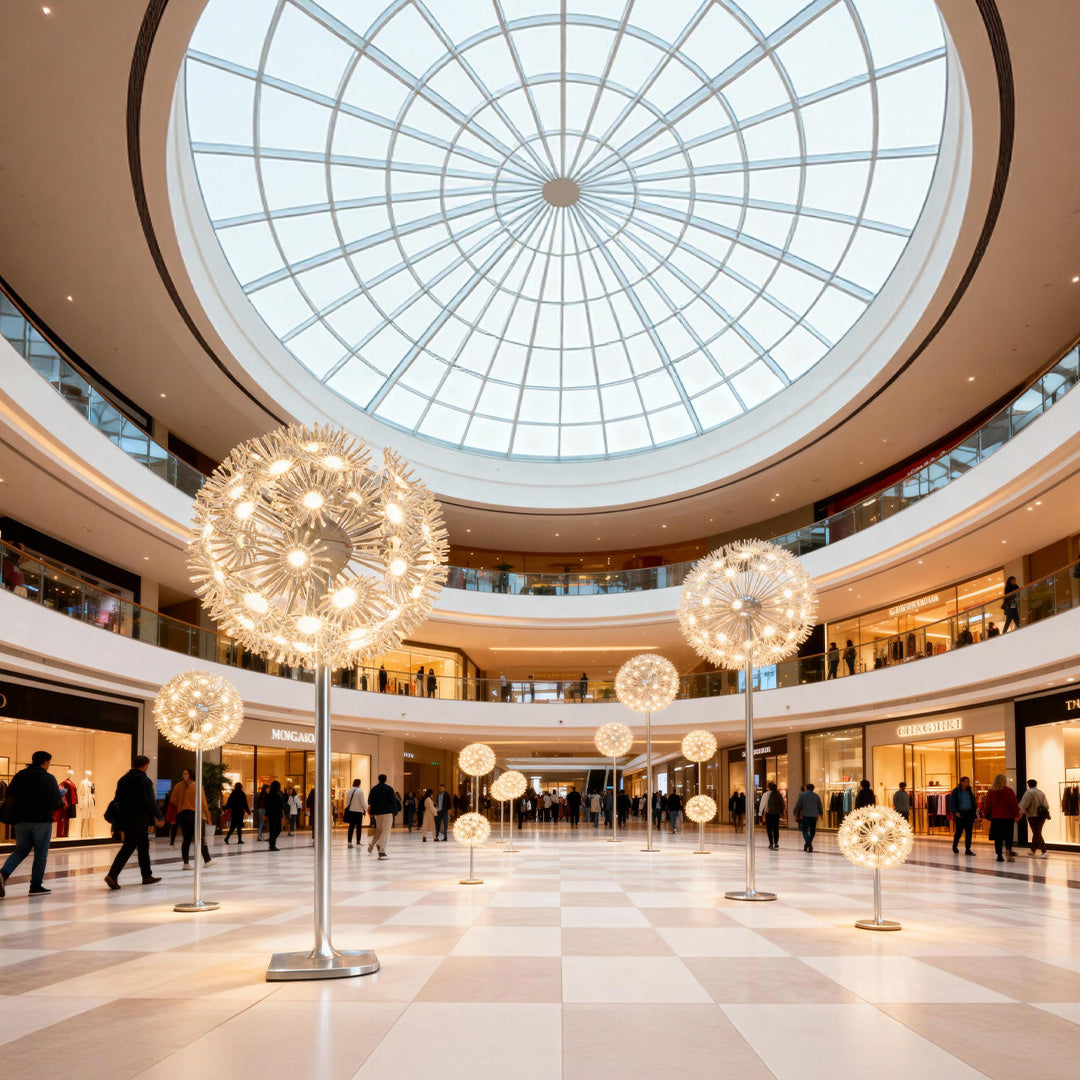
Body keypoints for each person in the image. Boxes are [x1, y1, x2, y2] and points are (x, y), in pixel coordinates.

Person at [0, 749, 63, 898]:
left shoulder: (20, 776)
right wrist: (60, 796)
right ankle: (35, 886)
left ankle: (3, 874)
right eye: (49, 762)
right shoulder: (48, 778)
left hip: (21, 820)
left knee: (20, 850)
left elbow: (9, 795)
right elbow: (55, 803)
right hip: (41, 821)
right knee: (41, 853)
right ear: (45, 762)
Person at [104, 755, 163, 890]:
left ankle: (147, 876)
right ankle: (112, 875)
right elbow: (150, 801)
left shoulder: (123, 780)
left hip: (125, 818)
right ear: (145, 765)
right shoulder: (144, 781)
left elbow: (117, 798)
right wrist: (159, 816)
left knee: (143, 847)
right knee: (128, 847)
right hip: (139, 819)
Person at [169, 768, 212, 869]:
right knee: (198, 838)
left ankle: (186, 863)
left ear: (190, 775)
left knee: (187, 839)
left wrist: (181, 804)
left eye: (185, 773)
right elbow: (204, 803)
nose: (183, 775)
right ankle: (207, 860)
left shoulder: (179, 786)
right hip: (195, 815)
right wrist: (208, 817)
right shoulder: (196, 786)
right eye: (183, 773)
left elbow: (173, 800)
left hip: (183, 814)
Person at [984, 773, 1020, 862]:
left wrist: (986, 814)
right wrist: (1017, 814)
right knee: (1008, 836)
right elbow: (1013, 804)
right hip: (1007, 818)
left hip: (996, 818)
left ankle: (999, 855)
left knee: (998, 838)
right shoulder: (1008, 791)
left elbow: (987, 805)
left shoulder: (991, 792)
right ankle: (1008, 850)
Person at [1017, 778, 1050, 858]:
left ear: (1028, 785)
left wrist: (1020, 812)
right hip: (1042, 816)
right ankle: (1033, 850)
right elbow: (1046, 805)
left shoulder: (1028, 793)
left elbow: (1024, 804)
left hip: (1032, 815)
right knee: (1037, 832)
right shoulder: (1041, 793)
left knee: (1036, 833)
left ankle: (1044, 851)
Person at [367, 773, 396, 858]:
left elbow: (370, 802)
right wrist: (395, 811)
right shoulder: (389, 789)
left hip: (377, 813)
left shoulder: (374, 789)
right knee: (386, 831)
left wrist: (371, 813)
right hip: (387, 812)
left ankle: (371, 846)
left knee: (379, 830)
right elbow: (393, 801)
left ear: (378, 779)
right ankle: (382, 851)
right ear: (385, 779)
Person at [949, 776, 978, 854]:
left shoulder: (969, 791)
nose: (967, 783)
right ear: (961, 782)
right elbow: (952, 802)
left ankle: (968, 849)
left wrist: (973, 812)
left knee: (969, 832)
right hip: (960, 814)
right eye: (965, 782)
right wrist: (956, 812)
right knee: (959, 831)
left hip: (969, 814)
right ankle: (955, 846)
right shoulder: (956, 791)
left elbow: (973, 802)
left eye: (968, 782)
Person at [793, 783, 823, 852]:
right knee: (813, 830)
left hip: (806, 815)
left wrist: (795, 811)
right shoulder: (816, 796)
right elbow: (820, 806)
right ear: (813, 789)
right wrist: (821, 814)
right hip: (814, 816)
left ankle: (808, 842)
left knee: (804, 829)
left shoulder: (802, 795)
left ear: (806, 788)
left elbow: (798, 805)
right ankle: (809, 843)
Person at [344, 778, 367, 847]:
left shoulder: (349, 791)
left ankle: (349, 842)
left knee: (351, 827)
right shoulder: (360, 791)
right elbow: (362, 802)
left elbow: (347, 802)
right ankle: (358, 841)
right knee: (359, 827)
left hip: (351, 811)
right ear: (359, 783)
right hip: (358, 812)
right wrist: (365, 809)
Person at [761, 782, 784, 848]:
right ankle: (776, 842)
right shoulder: (778, 794)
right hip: (776, 814)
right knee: (776, 828)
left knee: (769, 829)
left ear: (769, 787)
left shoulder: (767, 794)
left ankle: (771, 843)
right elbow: (782, 804)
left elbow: (763, 804)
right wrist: (781, 812)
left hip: (769, 814)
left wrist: (761, 812)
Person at [264, 780, 285, 851]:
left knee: (273, 829)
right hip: (276, 815)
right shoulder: (277, 795)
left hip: (271, 815)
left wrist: (267, 814)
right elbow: (281, 804)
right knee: (277, 829)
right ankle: (272, 844)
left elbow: (267, 806)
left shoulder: (269, 795)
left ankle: (272, 843)